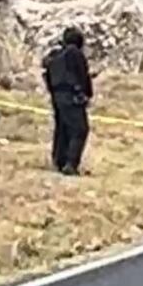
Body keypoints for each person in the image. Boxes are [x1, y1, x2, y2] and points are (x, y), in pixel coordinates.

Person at [41, 27, 93, 175]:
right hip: (72, 94)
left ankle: (59, 160)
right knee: (79, 129)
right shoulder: (75, 53)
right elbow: (82, 75)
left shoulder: (55, 55)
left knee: (62, 128)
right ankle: (71, 164)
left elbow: (47, 74)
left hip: (57, 96)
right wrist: (86, 93)